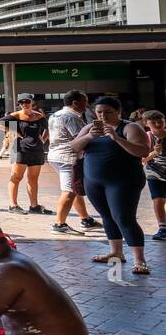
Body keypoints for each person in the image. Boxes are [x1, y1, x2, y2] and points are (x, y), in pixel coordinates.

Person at [72, 96, 152, 275]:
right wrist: (89, 136)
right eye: (99, 112)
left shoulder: (130, 127)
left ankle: (140, 260)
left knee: (124, 217)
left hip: (123, 182)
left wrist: (116, 138)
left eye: (108, 112)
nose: (102, 116)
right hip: (94, 181)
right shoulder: (89, 127)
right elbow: (74, 147)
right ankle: (116, 252)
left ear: (119, 112)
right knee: (106, 216)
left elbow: (142, 151)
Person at [47, 90, 102, 235]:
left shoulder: (56, 114)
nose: (86, 106)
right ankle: (59, 224)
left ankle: (86, 220)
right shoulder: (72, 117)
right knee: (69, 190)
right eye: (85, 102)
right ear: (75, 103)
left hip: (55, 155)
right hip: (68, 156)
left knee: (74, 188)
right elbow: (80, 139)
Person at [0, 94, 50, 215]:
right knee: (16, 177)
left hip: (37, 150)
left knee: (33, 179)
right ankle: (13, 205)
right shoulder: (16, 115)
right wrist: (11, 130)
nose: (24, 104)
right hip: (20, 150)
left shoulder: (39, 116)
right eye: (21, 102)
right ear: (19, 104)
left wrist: (43, 140)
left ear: (31, 102)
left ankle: (34, 206)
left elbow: (47, 128)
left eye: (27, 101)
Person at [143, 110, 166, 240]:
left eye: (160, 120)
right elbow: (141, 159)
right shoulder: (147, 137)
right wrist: (153, 154)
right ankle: (162, 228)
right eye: (153, 121)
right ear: (147, 124)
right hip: (154, 172)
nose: (158, 123)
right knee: (158, 199)